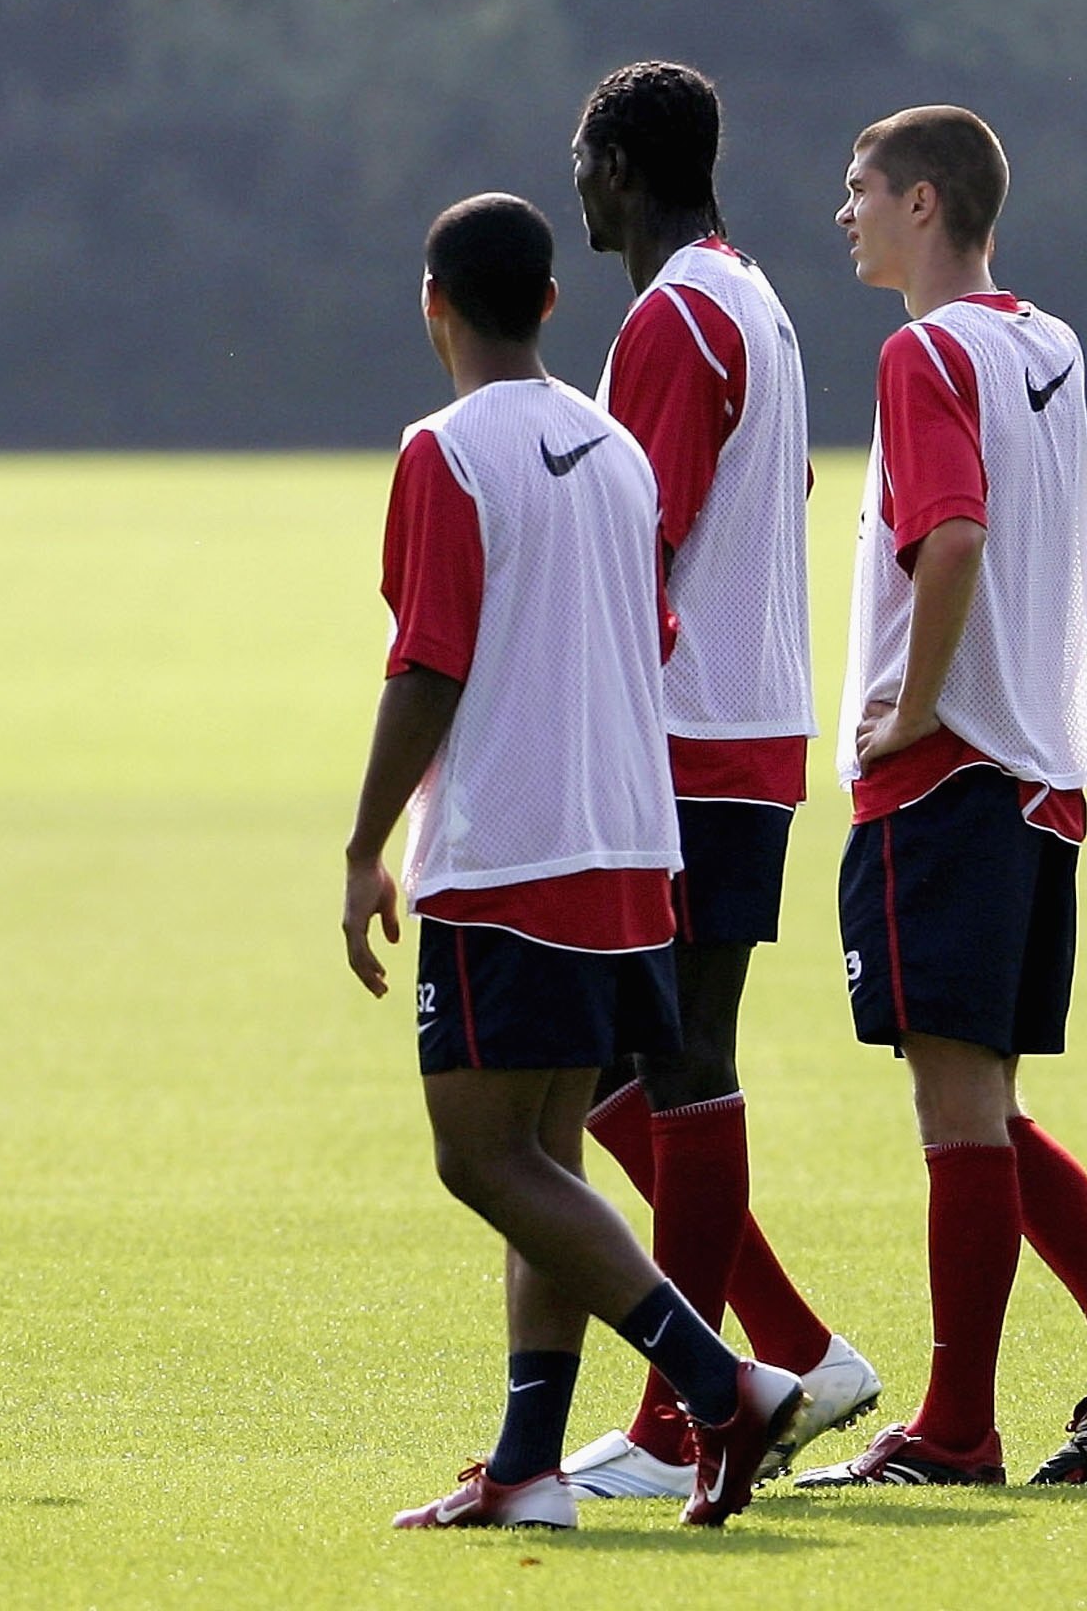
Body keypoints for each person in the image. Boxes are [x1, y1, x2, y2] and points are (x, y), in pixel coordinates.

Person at [344, 191, 809, 1531]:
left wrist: (364, 844)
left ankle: (724, 1387)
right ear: (552, 303)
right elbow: (654, 628)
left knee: (478, 1158)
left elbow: (427, 663)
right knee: (549, 1157)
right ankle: (529, 1468)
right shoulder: (615, 452)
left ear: (432, 307)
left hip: (509, 853)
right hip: (630, 853)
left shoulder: (445, 451)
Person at [792, 107, 1087, 1489]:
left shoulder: (924, 352)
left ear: (923, 202)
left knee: (956, 1117)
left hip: (952, 771)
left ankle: (957, 1428)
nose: (842, 214)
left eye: (858, 191)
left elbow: (953, 535)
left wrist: (907, 708)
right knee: (985, 1108)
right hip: (1038, 776)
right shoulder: (1047, 341)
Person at [557, 61, 880, 1501]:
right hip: (745, 730)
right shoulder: (749, 296)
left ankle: (683, 1415)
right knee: (638, 1066)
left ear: (621, 165)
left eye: (584, 154)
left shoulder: (677, 317)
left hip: (683, 739)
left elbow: (642, 538)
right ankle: (792, 1353)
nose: (574, 178)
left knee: (670, 1064)